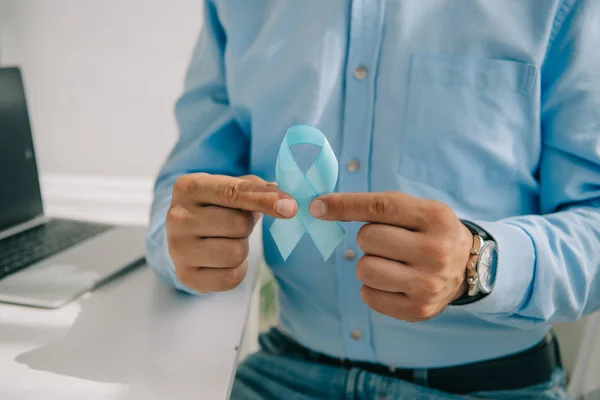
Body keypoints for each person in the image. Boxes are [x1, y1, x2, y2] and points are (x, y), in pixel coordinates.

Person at [146, 1, 600, 399]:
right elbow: (186, 186)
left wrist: (479, 261)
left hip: (492, 387)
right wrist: (180, 244)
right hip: (284, 372)